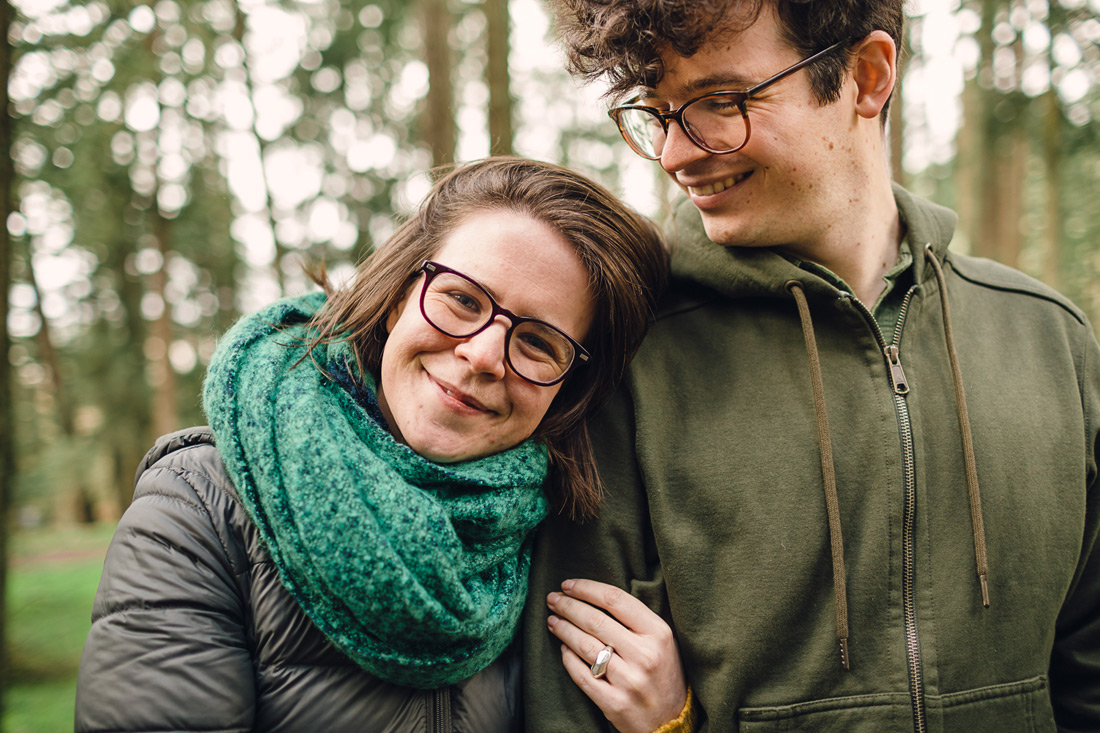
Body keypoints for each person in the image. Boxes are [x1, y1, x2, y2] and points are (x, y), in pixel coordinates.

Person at [523, 1, 1100, 731]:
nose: (676, 153)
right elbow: (570, 708)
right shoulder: (627, 356)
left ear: (866, 75)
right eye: (659, 112)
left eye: (717, 102)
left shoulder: (1050, 338)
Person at [74, 156, 668, 732]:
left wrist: (669, 725)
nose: (483, 355)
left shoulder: (562, 532)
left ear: (567, 388)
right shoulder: (198, 509)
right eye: (462, 299)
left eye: (539, 342)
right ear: (397, 297)